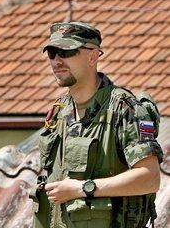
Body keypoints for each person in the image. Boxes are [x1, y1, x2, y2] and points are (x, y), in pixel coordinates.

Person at [34, 22, 163, 227]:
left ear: (93, 56)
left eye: (66, 52)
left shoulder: (124, 108)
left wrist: (83, 189)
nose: (57, 60)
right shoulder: (59, 110)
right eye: (52, 53)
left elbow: (150, 178)